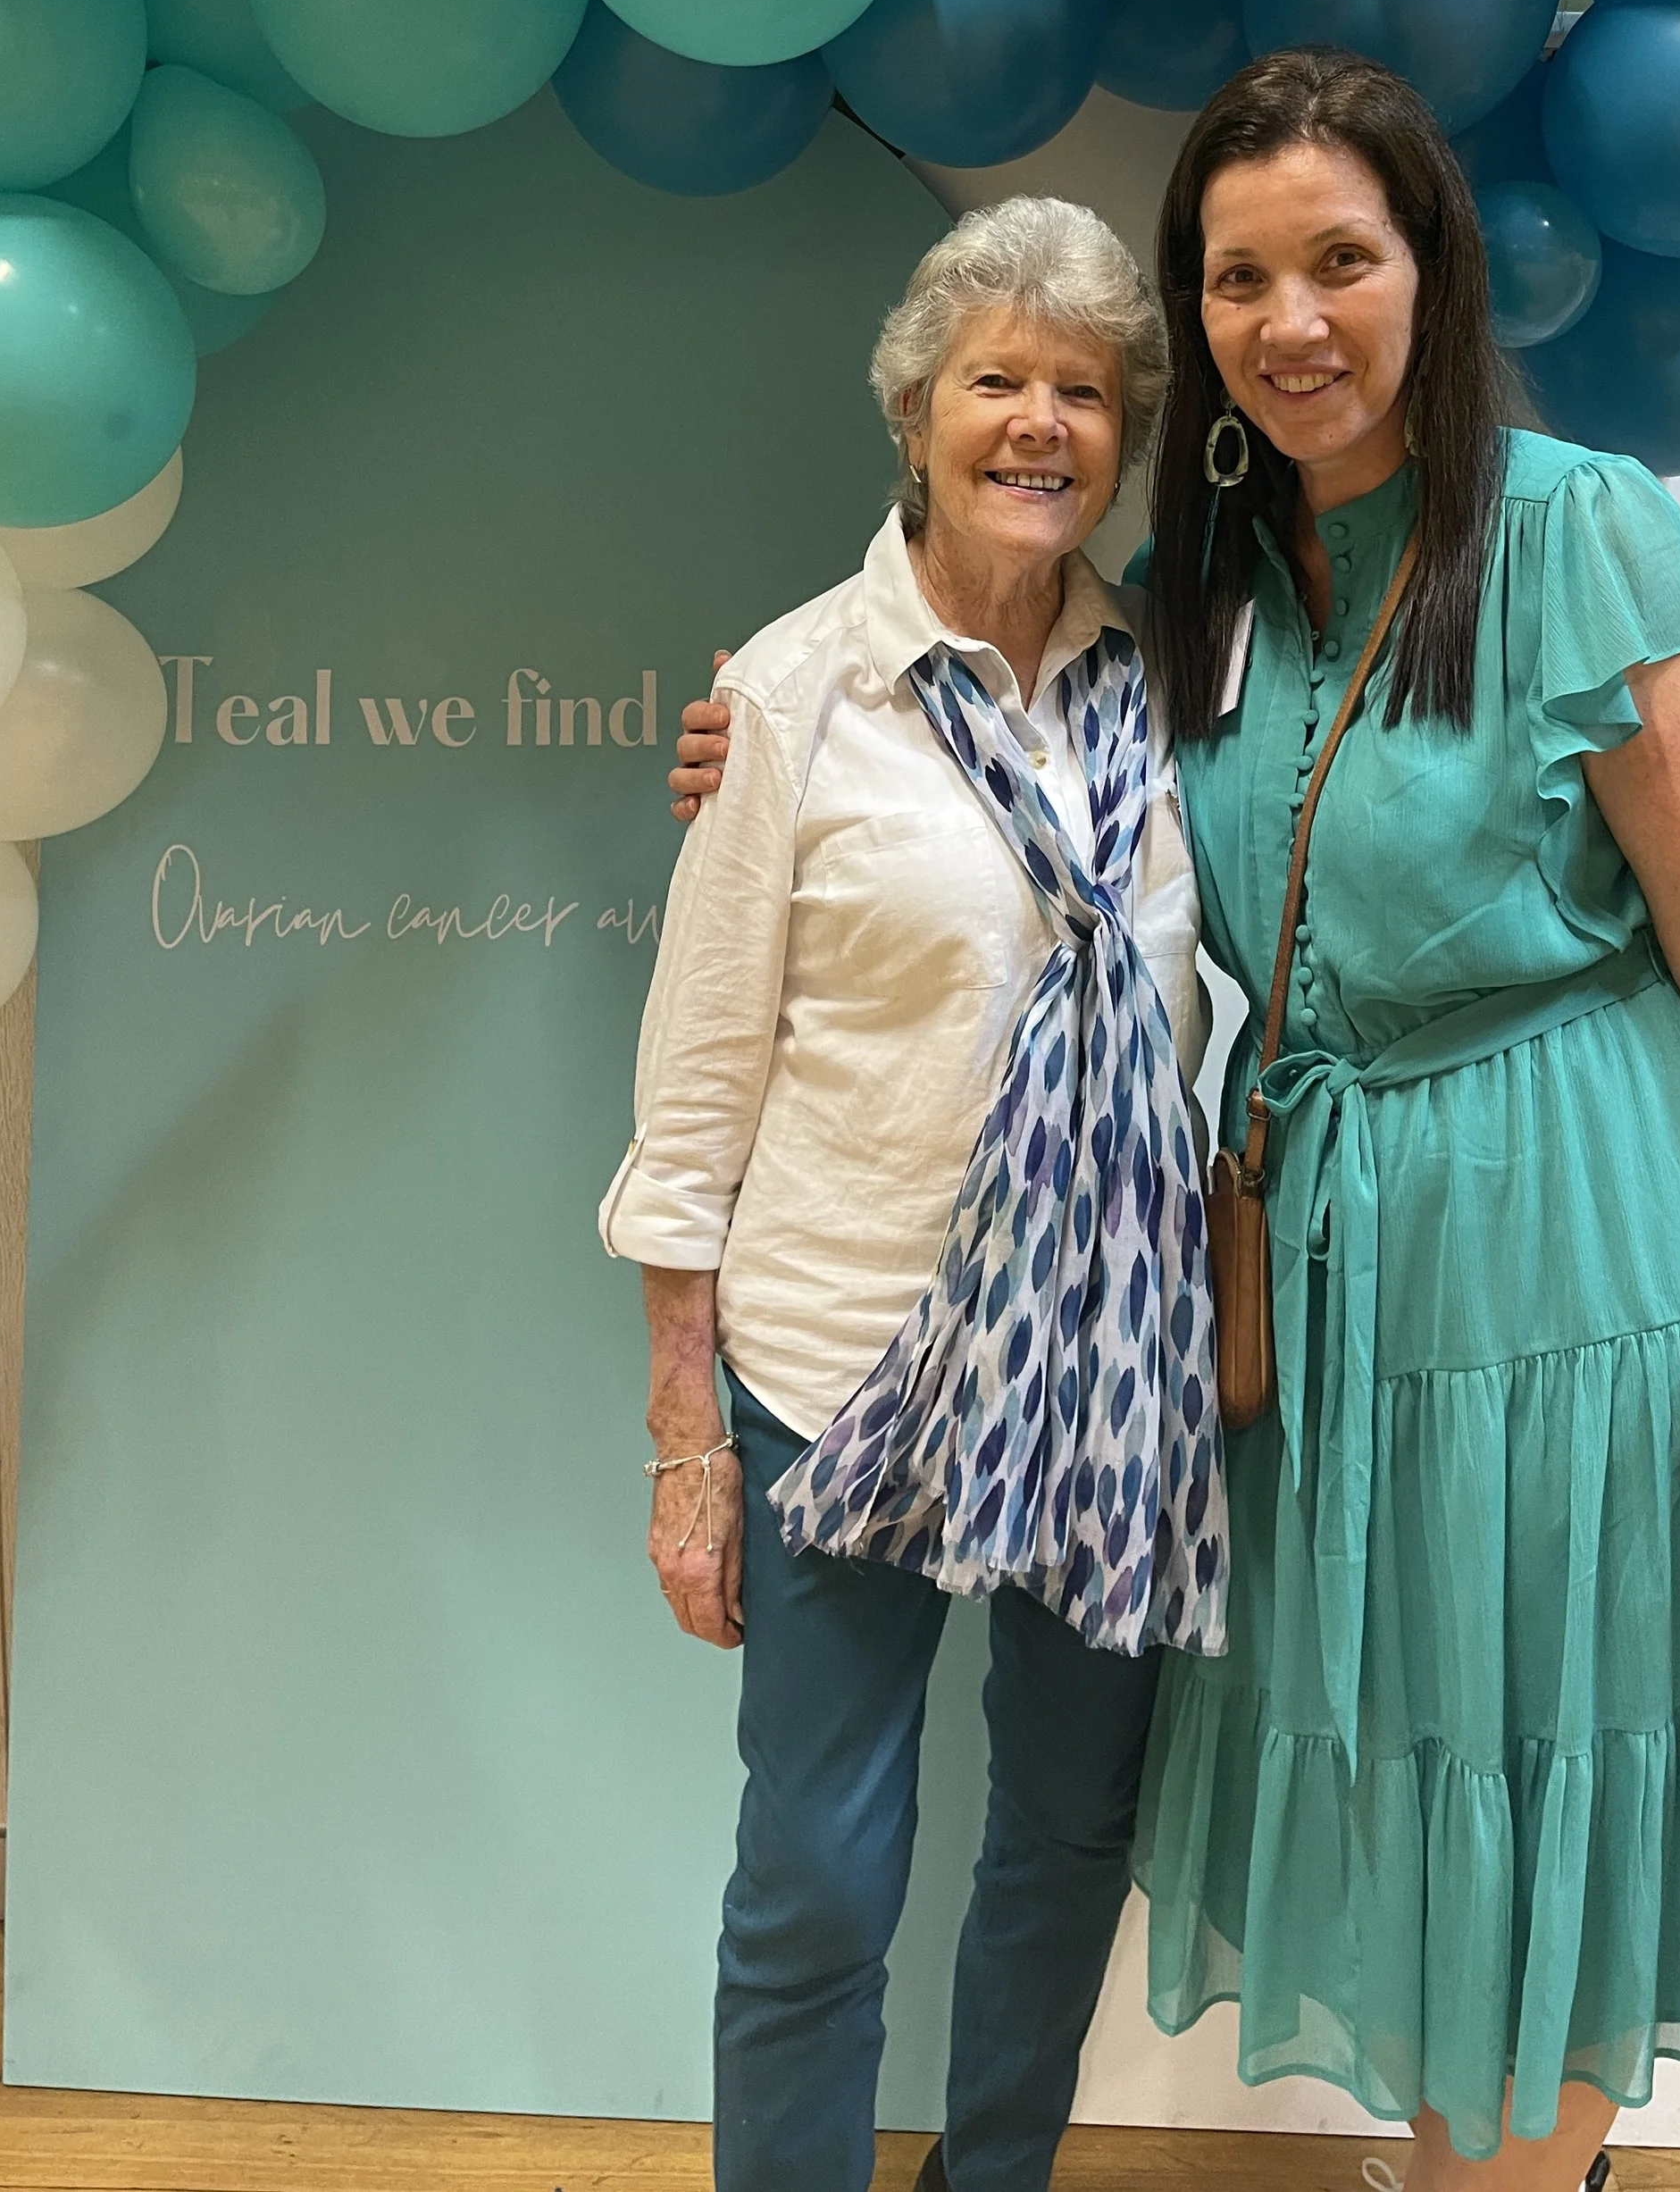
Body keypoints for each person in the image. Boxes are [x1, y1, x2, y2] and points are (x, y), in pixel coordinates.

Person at [674, 52, 1680, 2191]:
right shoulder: (1208, 587)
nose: (1289, 317)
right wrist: (760, 738)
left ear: (1431, 272)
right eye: (1238, 276)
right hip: (1317, 1285)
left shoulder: (1578, 529)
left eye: (1340, 258)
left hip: (1570, 1253)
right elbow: (978, 747)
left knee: (1556, 1722)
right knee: (1415, 1742)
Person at [604, 193, 1218, 2192]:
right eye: (995, 382)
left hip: (1109, 1365)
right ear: (915, 413)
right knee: (816, 1873)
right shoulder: (796, 694)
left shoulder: (1174, 686)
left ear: (1126, 436)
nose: (1039, 424)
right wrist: (685, 1439)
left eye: (1084, 392)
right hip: (838, 1359)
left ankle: (994, 2174)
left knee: (1064, 1834)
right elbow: (693, 1095)